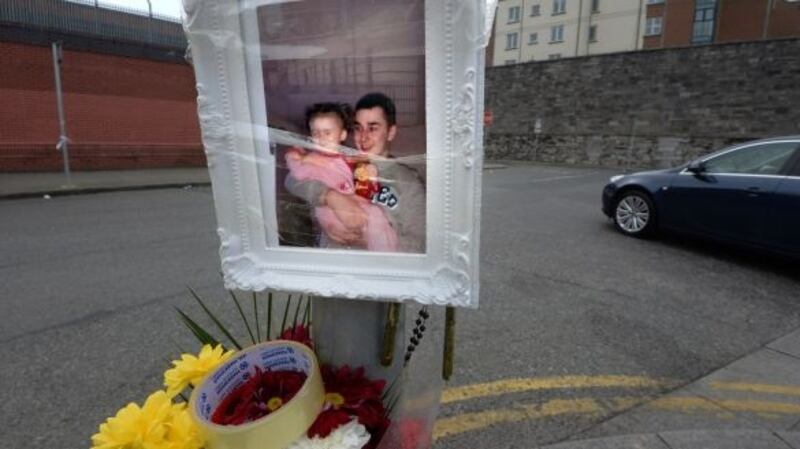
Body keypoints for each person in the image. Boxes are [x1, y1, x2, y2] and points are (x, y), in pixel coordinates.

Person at [286, 93, 426, 254]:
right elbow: (291, 180)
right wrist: (329, 196)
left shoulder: (408, 182)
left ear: (391, 132)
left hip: (379, 269)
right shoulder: (343, 162)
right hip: (332, 260)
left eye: (373, 128)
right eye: (358, 128)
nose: (363, 137)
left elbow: (420, 244)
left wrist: (368, 239)